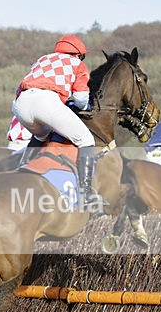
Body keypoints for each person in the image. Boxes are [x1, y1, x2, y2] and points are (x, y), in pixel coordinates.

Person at [12, 34, 98, 207]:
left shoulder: (42, 59)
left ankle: (19, 170)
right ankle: (86, 190)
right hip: (46, 102)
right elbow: (81, 99)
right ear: (78, 54)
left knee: (42, 136)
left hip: (20, 104)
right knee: (86, 140)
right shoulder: (77, 64)